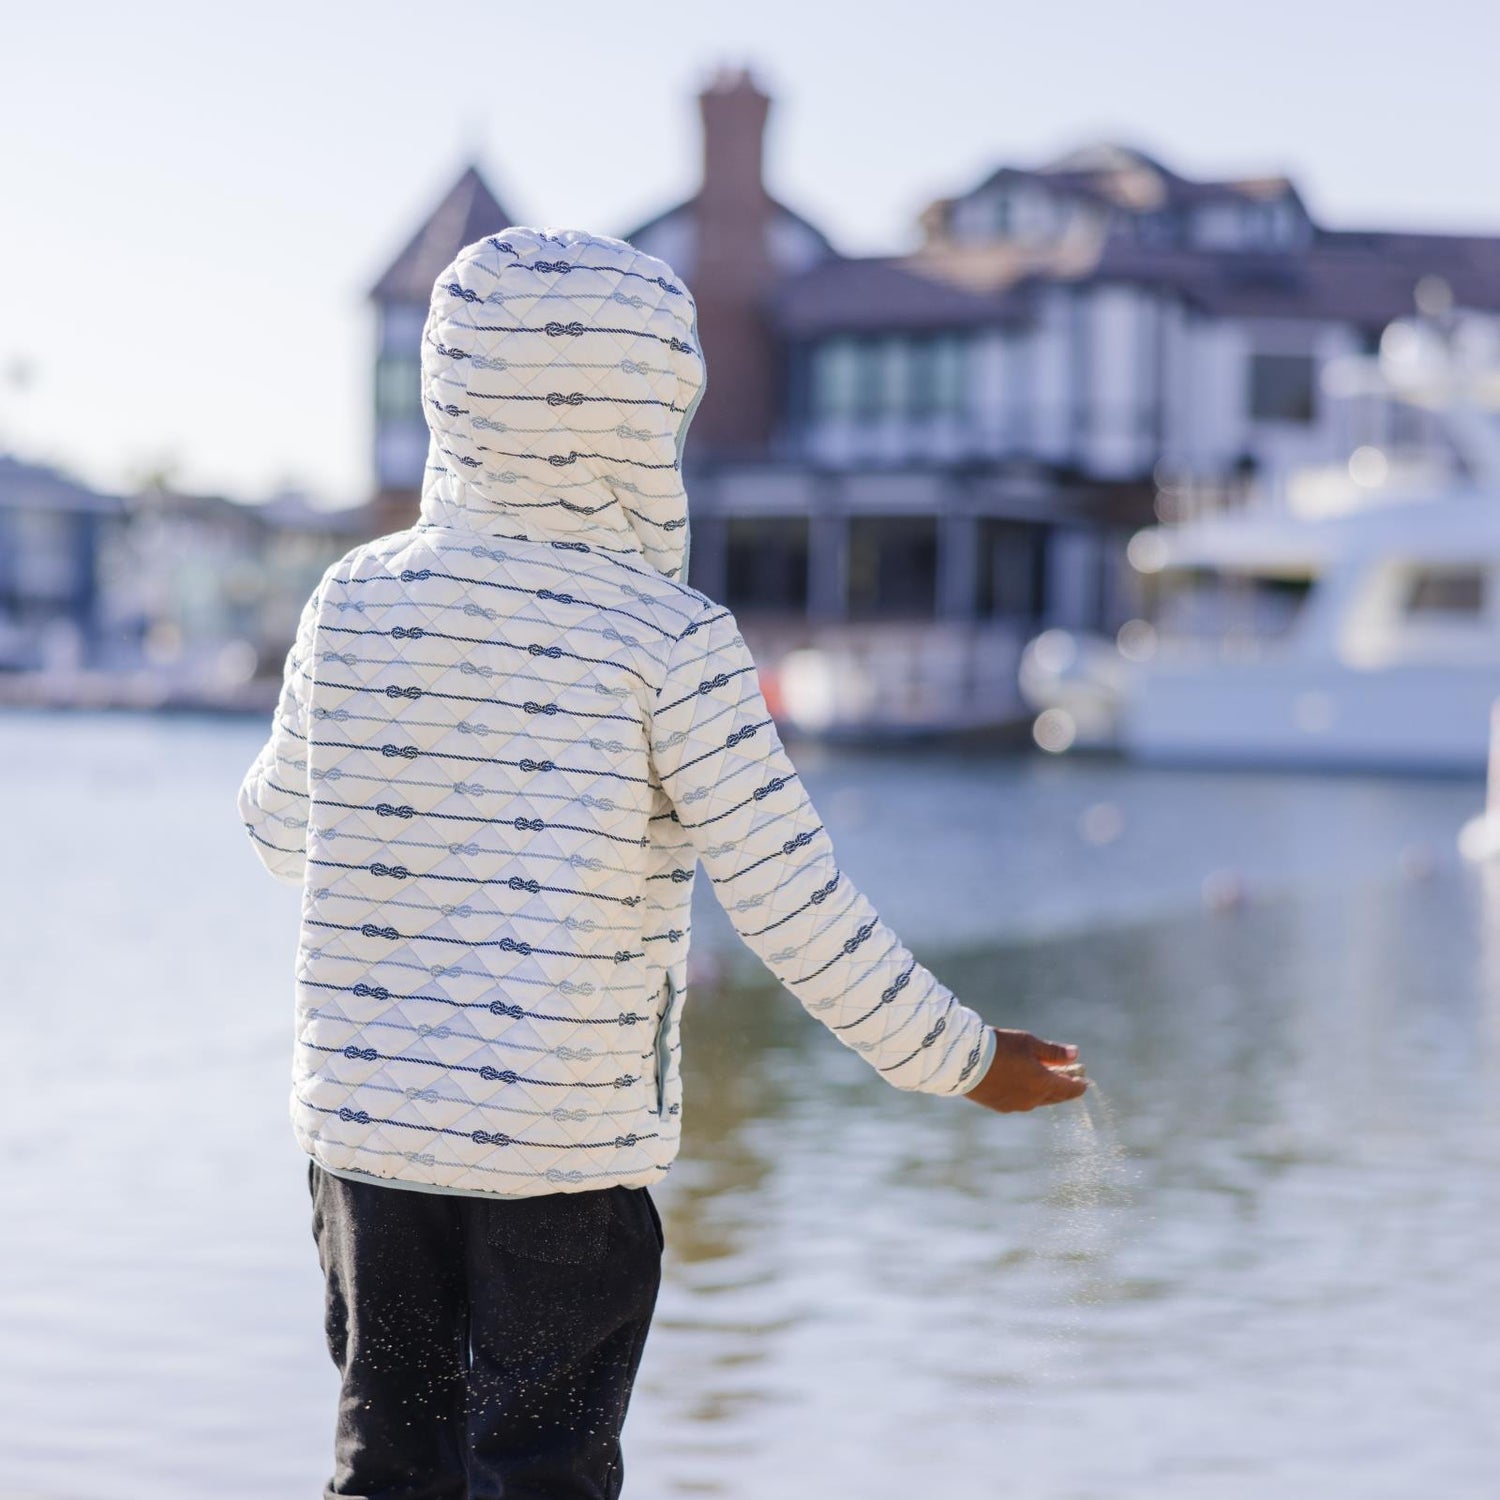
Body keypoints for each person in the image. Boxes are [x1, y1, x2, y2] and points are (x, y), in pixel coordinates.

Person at [237, 226, 1086, 1500]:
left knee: (387, 1468)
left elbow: (277, 831)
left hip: (366, 1149)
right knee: (541, 1475)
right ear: (646, 419)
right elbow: (793, 903)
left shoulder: (352, 601)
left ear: (449, 391)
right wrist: (961, 1059)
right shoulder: (668, 642)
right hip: (561, 1161)